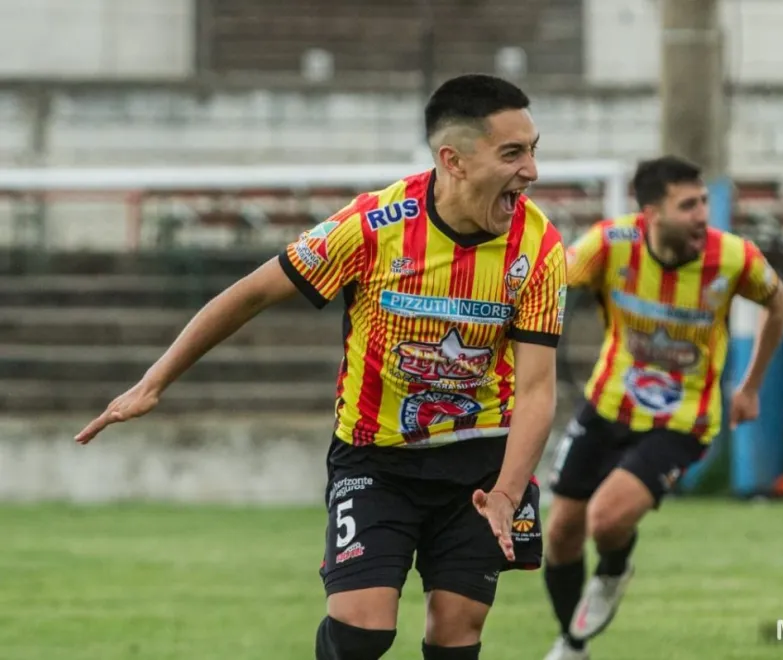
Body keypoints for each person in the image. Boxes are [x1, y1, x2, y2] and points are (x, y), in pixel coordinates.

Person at [74, 73, 567, 660]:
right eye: (512, 153)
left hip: (481, 464)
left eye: (533, 151)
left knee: (456, 632)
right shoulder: (372, 227)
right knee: (362, 632)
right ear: (453, 160)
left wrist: (509, 494)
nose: (531, 172)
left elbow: (537, 390)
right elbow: (252, 293)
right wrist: (153, 382)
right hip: (377, 458)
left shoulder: (539, 249)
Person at [542, 156, 783, 659]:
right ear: (651, 212)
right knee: (561, 534)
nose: (703, 215)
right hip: (606, 404)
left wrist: (751, 385)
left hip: (682, 421)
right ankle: (574, 643)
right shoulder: (610, 246)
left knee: (606, 521)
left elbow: (778, 300)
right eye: (688, 205)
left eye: (703, 202)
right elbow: (550, 282)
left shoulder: (733, 259)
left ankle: (612, 571)